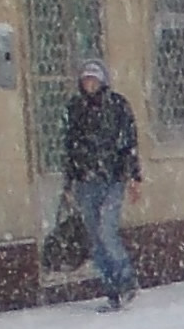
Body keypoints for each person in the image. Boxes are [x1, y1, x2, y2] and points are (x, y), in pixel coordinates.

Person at [60, 55, 142, 309]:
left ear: (103, 80)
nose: (89, 83)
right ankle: (111, 289)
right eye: (86, 79)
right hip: (86, 180)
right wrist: (69, 184)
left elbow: (129, 142)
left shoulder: (117, 106)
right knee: (94, 237)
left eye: (94, 78)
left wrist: (134, 177)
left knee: (107, 230)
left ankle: (126, 279)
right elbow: (69, 147)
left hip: (113, 177)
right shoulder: (75, 108)